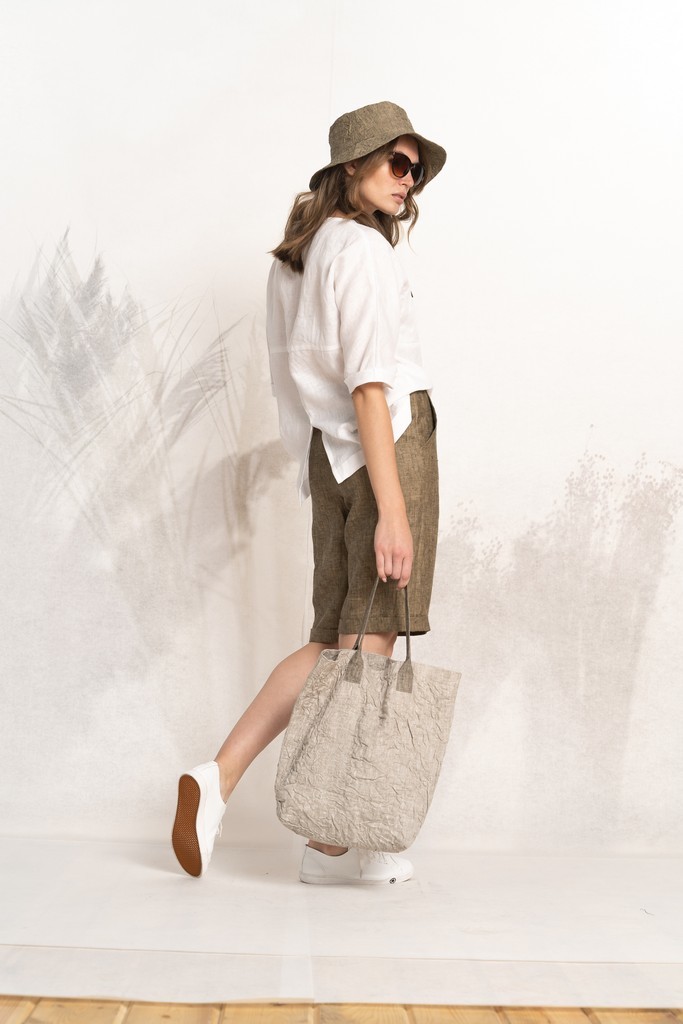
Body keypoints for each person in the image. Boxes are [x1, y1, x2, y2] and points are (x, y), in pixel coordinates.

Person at [172, 100, 446, 885]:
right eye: (395, 162)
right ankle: (330, 837)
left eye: (414, 168)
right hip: (384, 448)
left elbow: (300, 385)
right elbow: (369, 385)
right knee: (371, 641)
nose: (408, 179)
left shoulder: (295, 258)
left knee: (337, 641)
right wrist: (393, 511)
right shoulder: (360, 250)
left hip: (330, 459)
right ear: (351, 164)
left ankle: (229, 786)